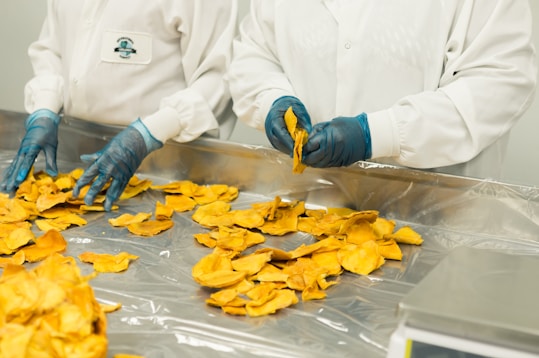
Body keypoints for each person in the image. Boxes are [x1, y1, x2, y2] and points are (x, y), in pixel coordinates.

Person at [228, 1, 537, 179]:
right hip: (311, 212)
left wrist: (381, 134)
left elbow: (498, 83)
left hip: (437, 221)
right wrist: (271, 98)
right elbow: (255, 52)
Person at [0, 0, 238, 211]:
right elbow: (53, 47)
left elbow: (220, 77)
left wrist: (148, 134)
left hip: (167, 176)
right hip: (75, 171)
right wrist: (45, 106)